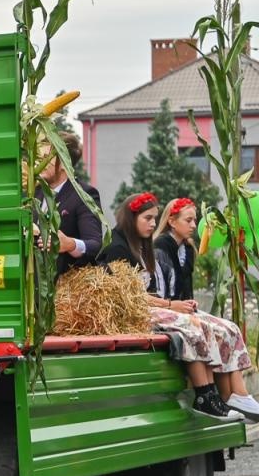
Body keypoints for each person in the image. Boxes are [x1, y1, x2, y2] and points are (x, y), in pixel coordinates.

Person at [97, 193, 256, 421]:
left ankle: (234, 394)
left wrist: (178, 304)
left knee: (227, 327)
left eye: (154, 218)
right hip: (132, 312)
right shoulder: (117, 248)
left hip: (153, 306)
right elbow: (131, 298)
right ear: (131, 219)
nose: (153, 223)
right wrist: (171, 305)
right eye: (148, 218)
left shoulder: (143, 245)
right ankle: (204, 395)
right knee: (193, 326)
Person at [36, 131, 101, 274]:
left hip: (66, 285)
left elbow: (95, 245)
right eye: (39, 157)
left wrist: (70, 244)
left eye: (47, 158)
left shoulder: (84, 195)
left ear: (65, 163)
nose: (40, 163)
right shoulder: (34, 194)